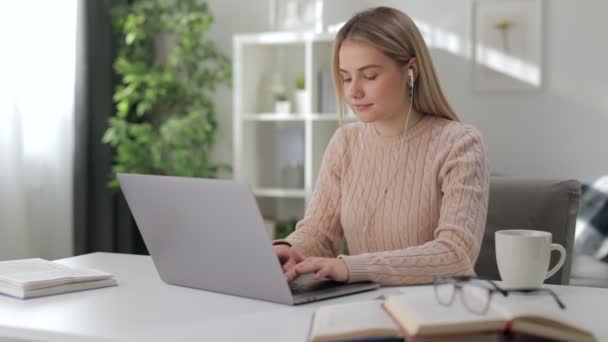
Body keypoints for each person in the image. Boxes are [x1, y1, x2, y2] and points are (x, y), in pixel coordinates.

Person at [273, 6, 490, 286]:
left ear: (410, 71)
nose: (353, 91)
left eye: (370, 76)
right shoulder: (345, 142)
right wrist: (289, 250)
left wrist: (350, 267)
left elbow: (455, 255)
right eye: (346, 77)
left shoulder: (461, 144)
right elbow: (319, 234)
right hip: (363, 304)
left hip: (433, 312)